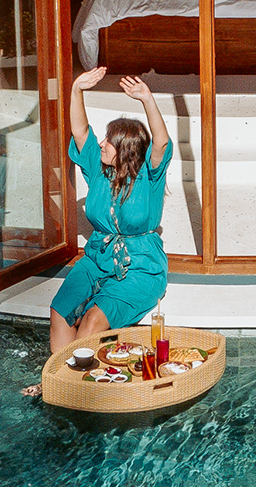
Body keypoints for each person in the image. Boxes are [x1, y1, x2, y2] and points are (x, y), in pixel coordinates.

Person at [23, 65, 172, 398]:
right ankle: (62, 379)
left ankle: (70, 388)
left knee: (92, 320)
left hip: (140, 266)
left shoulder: (149, 177)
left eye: (109, 141)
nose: (102, 144)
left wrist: (147, 99)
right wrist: (77, 89)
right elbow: (80, 131)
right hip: (97, 257)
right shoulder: (98, 170)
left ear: (127, 151)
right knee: (60, 309)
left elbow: (161, 142)